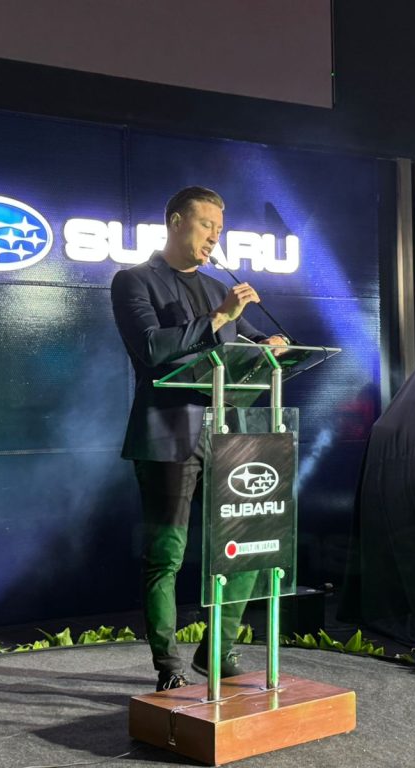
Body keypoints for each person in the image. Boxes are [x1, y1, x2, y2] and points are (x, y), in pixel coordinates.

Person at [111, 186, 287, 691]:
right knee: (166, 555)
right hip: (168, 435)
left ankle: (218, 649)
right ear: (176, 221)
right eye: (207, 224)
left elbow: (246, 340)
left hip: (227, 437)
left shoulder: (215, 288)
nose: (214, 236)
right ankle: (169, 668)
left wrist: (271, 344)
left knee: (248, 545)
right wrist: (218, 319)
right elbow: (150, 347)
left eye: (219, 229)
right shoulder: (134, 280)